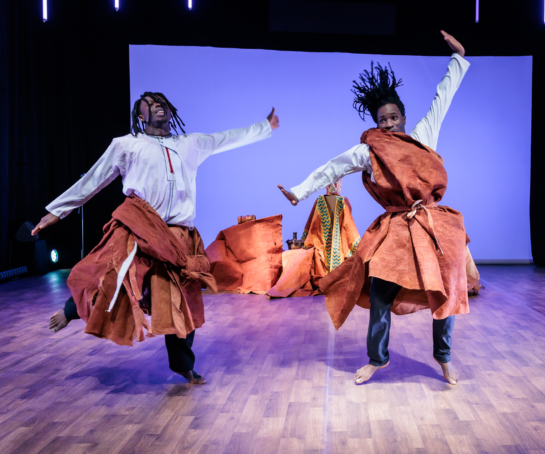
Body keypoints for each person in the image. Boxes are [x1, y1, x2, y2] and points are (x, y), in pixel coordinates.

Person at [33, 92, 279, 384]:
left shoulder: (190, 143)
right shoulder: (126, 145)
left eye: (161, 102)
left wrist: (264, 127)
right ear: (141, 116)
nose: (157, 106)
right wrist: (57, 211)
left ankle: (184, 365)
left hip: (177, 236)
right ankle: (71, 311)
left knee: (181, 302)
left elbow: (228, 138)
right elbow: (94, 179)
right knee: (111, 279)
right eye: (150, 104)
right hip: (139, 227)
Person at [278, 30, 469, 385]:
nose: (390, 123)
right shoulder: (369, 151)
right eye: (383, 119)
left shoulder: (422, 137)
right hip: (396, 227)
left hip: (430, 223)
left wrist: (457, 59)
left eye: (394, 117)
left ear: (404, 117)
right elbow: (332, 167)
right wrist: (299, 192)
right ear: (376, 124)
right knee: (381, 293)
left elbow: (442, 99)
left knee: (445, 289)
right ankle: (377, 359)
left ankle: (443, 357)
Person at [267, 180, 362, 297]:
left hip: (331, 246)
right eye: (337, 183)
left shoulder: (333, 201)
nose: (338, 186)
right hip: (323, 246)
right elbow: (315, 223)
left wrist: (306, 241)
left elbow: (314, 224)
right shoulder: (330, 201)